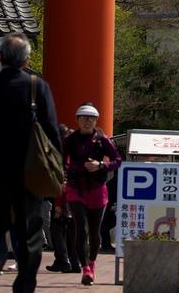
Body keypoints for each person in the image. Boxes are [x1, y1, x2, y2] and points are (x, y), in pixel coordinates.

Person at [0, 33, 61, 293]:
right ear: (26, 60)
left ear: (1, 56)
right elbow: (51, 131)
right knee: (30, 232)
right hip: (29, 172)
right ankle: (24, 284)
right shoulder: (37, 86)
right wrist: (58, 167)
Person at [63, 103, 120, 286]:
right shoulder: (70, 140)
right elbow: (61, 161)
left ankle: (92, 265)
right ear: (77, 120)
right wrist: (69, 171)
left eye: (91, 118)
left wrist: (100, 165)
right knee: (81, 228)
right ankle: (85, 268)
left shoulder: (102, 140)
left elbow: (118, 160)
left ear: (96, 121)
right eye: (83, 118)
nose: (87, 121)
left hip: (97, 189)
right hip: (75, 188)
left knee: (95, 232)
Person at [47, 125, 80, 274]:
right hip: (75, 195)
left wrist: (59, 204)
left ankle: (63, 260)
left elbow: (61, 177)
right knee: (71, 231)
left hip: (64, 195)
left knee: (58, 228)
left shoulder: (62, 153)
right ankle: (74, 262)